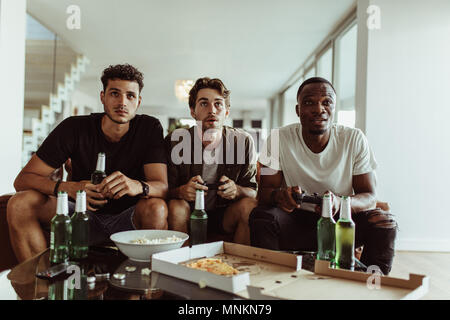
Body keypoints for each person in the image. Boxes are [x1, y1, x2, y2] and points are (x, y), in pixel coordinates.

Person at [7, 64, 168, 263]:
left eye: (130, 96)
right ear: (102, 97)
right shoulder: (74, 127)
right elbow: (22, 180)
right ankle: (41, 285)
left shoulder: (149, 127)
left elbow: (162, 186)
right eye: (115, 93)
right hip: (79, 215)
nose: (122, 102)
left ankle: (145, 287)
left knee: (156, 207)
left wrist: (137, 185)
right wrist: (69, 188)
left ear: (138, 101)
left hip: (128, 219)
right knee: (20, 204)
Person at [249, 77, 397, 275]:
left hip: (340, 220)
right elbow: (264, 193)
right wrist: (281, 195)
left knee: (384, 223)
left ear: (334, 108)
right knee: (262, 218)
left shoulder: (354, 139)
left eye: (326, 102)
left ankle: (368, 287)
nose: (319, 109)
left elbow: (369, 196)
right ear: (298, 110)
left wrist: (340, 203)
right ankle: (272, 285)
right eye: (309, 102)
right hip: (295, 219)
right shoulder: (277, 138)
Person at [166, 77, 257, 245]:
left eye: (218, 104)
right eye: (204, 104)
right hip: (189, 214)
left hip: (225, 214)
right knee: (176, 207)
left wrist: (237, 190)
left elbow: (253, 192)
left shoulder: (243, 141)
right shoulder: (175, 141)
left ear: (227, 111)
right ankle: (181, 266)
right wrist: (181, 191)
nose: (212, 110)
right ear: (193, 111)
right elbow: (164, 190)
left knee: (249, 205)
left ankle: (236, 267)